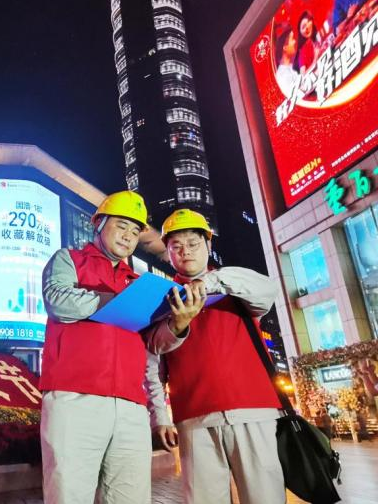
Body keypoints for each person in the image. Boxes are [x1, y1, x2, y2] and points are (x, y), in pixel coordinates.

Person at [39, 191, 206, 504]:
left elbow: (153, 345)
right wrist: (114, 300)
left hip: (131, 407)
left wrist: (178, 325)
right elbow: (58, 301)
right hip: (75, 398)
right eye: (121, 225)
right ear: (99, 224)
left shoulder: (139, 283)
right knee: (68, 495)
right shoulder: (69, 259)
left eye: (135, 231)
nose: (129, 236)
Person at [145, 209, 285, 504]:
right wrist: (160, 416)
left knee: (265, 497)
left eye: (193, 243)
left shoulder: (236, 287)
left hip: (252, 409)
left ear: (208, 244)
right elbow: (153, 363)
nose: (185, 252)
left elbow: (269, 290)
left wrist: (207, 284)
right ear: (168, 254)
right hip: (193, 417)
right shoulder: (161, 301)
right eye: (176, 246)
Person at [274, 26, 300, 95]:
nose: (295, 41)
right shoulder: (282, 74)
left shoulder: (291, 66)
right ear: (285, 47)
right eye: (292, 39)